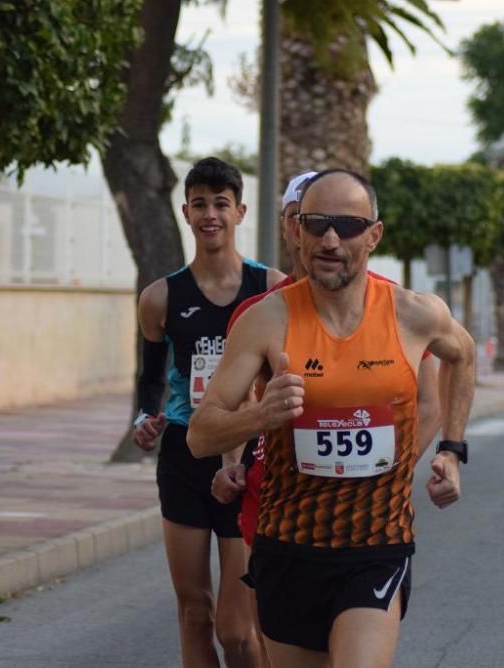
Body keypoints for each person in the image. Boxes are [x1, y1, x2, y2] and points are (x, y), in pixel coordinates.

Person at [187, 169, 475, 667]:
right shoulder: (266, 320)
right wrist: (262, 414)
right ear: (297, 230)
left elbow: (463, 356)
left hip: (376, 544)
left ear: (374, 235)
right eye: (317, 223)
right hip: (287, 548)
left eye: (348, 224)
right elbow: (200, 433)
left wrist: (451, 449)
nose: (331, 239)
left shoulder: (413, 314)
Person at [131, 157, 284, 668]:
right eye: (200, 204)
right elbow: (150, 378)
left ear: (240, 211)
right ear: (186, 212)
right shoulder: (160, 298)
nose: (210, 214)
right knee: (195, 612)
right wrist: (143, 419)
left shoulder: (272, 290)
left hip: (248, 455)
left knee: (238, 631)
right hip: (184, 453)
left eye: (221, 204)